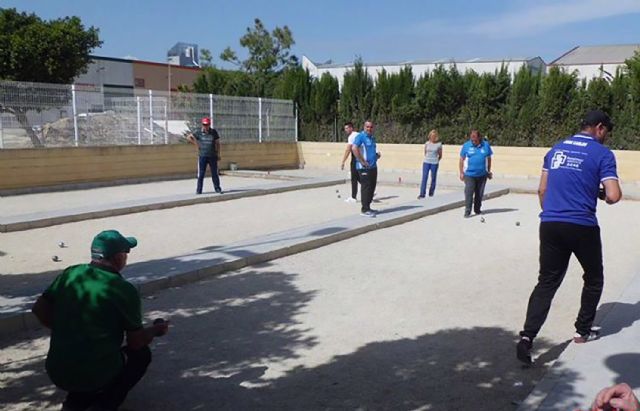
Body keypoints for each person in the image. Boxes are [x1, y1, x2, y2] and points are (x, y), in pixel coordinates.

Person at [517, 110, 622, 365]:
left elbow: (542, 189)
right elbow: (614, 195)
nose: (606, 137)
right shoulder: (602, 154)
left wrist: (552, 213)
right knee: (594, 278)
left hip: (550, 224)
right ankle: (582, 331)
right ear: (599, 127)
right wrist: (601, 195)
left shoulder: (555, 149)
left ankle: (527, 338)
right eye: (606, 132)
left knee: (547, 282)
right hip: (582, 225)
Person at [32, 230, 169, 411]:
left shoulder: (71, 273)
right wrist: (156, 329)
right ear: (119, 257)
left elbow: (39, 309)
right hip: (94, 372)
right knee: (140, 355)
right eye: (126, 253)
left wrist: (65, 329)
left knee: (89, 362)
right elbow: (135, 342)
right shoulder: (122, 289)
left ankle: (77, 401)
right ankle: (104, 405)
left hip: (57, 369)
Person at [459, 130, 493, 217]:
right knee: (469, 192)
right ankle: (467, 211)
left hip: (482, 174)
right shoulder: (466, 145)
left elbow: (489, 158)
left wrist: (489, 171)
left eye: (475, 140)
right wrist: (461, 172)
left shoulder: (486, 145)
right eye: (472, 139)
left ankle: (477, 209)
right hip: (469, 174)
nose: (473, 141)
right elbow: (461, 159)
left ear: (479, 138)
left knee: (479, 193)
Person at [351, 120, 381, 217]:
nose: (369, 129)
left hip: (373, 167)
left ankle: (368, 207)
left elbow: (370, 151)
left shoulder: (372, 137)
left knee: (372, 187)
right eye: (367, 127)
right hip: (364, 168)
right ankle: (364, 209)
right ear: (364, 127)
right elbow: (354, 148)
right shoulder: (360, 136)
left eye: (371, 127)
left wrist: (376, 156)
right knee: (366, 187)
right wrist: (362, 161)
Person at [187, 116, 222, 194]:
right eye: (204, 124)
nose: (206, 126)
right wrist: (196, 144)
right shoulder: (198, 132)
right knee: (201, 174)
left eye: (207, 124)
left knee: (214, 173)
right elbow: (189, 137)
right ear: (202, 124)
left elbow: (217, 143)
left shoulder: (213, 132)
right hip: (202, 155)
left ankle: (217, 188)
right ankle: (199, 190)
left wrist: (218, 154)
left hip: (212, 155)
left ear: (209, 124)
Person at [418, 129, 443, 198]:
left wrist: (436, 160)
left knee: (433, 178)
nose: (433, 138)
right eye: (431, 136)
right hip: (426, 162)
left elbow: (440, 155)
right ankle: (422, 194)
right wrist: (428, 158)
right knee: (424, 177)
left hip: (434, 163)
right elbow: (425, 153)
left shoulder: (439, 144)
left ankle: (431, 193)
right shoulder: (427, 143)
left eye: (434, 136)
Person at [340, 121, 361, 203]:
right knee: (358, 176)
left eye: (347, 128)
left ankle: (353, 197)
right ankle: (370, 190)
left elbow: (348, 149)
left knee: (354, 178)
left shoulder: (351, 136)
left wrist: (343, 161)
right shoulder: (358, 134)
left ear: (351, 128)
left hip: (356, 158)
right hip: (361, 157)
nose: (346, 130)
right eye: (345, 128)